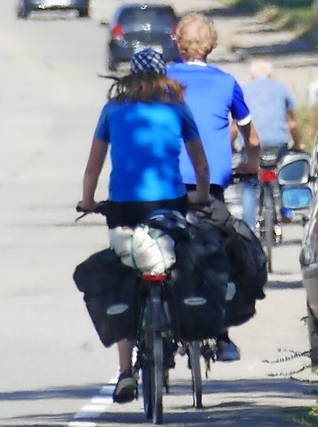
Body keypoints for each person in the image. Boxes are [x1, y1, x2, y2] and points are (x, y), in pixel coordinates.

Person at [77, 48, 210, 404]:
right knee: (178, 260)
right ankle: (180, 319)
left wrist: (88, 202)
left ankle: (125, 370)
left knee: (124, 277)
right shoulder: (178, 108)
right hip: (169, 202)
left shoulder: (112, 110)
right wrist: (199, 195)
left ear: (130, 78)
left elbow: (93, 167)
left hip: (123, 207)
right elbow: (200, 164)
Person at [167, 12, 260, 362]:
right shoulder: (226, 83)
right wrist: (250, 165)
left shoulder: (161, 81)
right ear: (212, 44)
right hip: (210, 192)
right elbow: (251, 136)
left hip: (164, 187)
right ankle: (222, 334)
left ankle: (151, 322)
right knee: (226, 251)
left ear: (178, 43)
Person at [233, 58, 303, 229]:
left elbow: (235, 126)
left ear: (251, 76)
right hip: (278, 142)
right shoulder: (281, 89)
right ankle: (287, 210)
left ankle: (248, 226)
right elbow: (292, 124)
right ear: (271, 75)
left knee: (249, 182)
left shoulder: (242, 90)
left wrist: (231, 146)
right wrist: (298, 143)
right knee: (285, 172)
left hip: (251, 144)